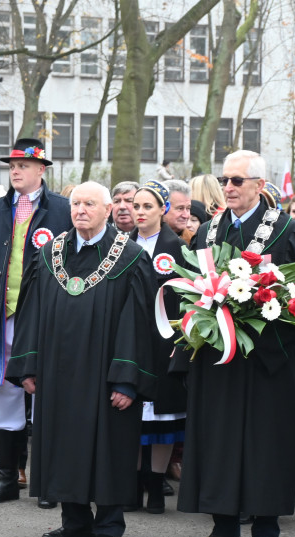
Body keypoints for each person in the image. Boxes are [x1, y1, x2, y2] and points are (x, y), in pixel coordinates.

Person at [174, 150, 295, 537]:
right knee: (217, 443)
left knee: (262, 449)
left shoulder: (287, 231)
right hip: (219, 361)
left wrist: (255, 327)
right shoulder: (208, 231)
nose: (229, 187)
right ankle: (224, 532)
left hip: (265, 362)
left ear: (260, 186)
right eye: (226, 179)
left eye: (238, 180)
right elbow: (196, 287)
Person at [5, 181, 155, 537]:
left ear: (109, 209)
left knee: (108, 445)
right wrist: (28, 365)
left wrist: (126, 379)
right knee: (63, 441)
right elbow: (30, 315)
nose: (80, 210)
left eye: (89, 203)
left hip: (105, 374)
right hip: (58, 373)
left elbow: (138, 324)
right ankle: (74, 520)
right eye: (75, 203)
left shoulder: (131, 258)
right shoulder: (48, 254)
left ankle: (108, 525)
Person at [0, 137, 71, 506]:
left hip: (45, 319)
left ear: (41, 170)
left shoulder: (63, 210)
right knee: (2, 395)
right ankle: (6, 478)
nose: (15, 170)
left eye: (24, 166)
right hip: (1, 316)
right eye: (12, 165)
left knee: (49, 395)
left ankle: (49, 480)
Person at [126, 180, 185, 514]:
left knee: (162, 415)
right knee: (134, 413)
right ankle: (133, 483)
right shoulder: (123, 244)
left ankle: (156, 485)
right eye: (136, 206)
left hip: (165, 341)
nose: (140, 212)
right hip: (133, 339)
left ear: (162, 209)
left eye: (147, 206)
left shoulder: (174, 246)